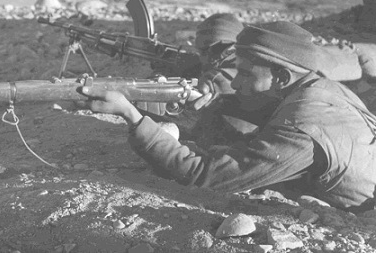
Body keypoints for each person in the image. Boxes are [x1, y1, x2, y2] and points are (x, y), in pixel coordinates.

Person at [79, 21, 376, 211]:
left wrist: (132, 116)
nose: (235, 82)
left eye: (245, 73)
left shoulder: (301, 130)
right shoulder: (323, 87)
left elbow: (203, 177)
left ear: (282, 77)